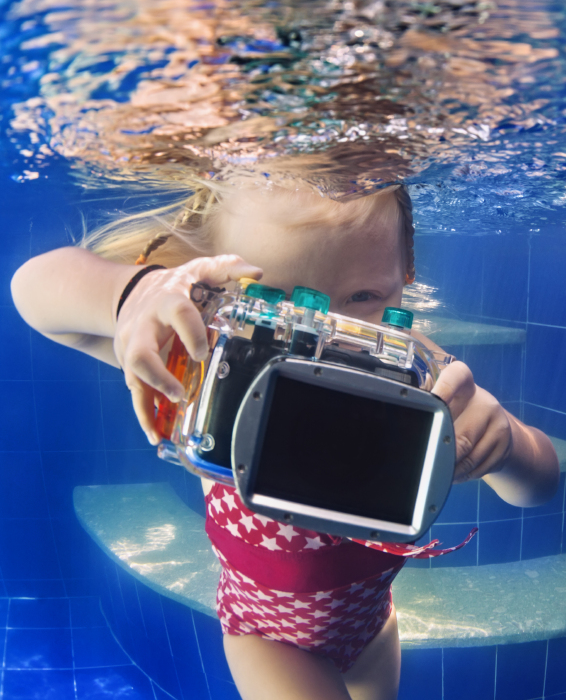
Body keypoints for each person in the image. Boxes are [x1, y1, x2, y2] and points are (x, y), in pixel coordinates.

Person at [11, 175, 560, 700]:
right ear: (216, 289)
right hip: (268, 637)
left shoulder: (421, 378)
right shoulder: (206, 363)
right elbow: (32, 290)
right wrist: (133, 295)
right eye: (272, 300)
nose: (327, 336)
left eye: (364, 296)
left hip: (373, 623)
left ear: (406, 270)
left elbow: (539, 487)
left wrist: (505, 445)